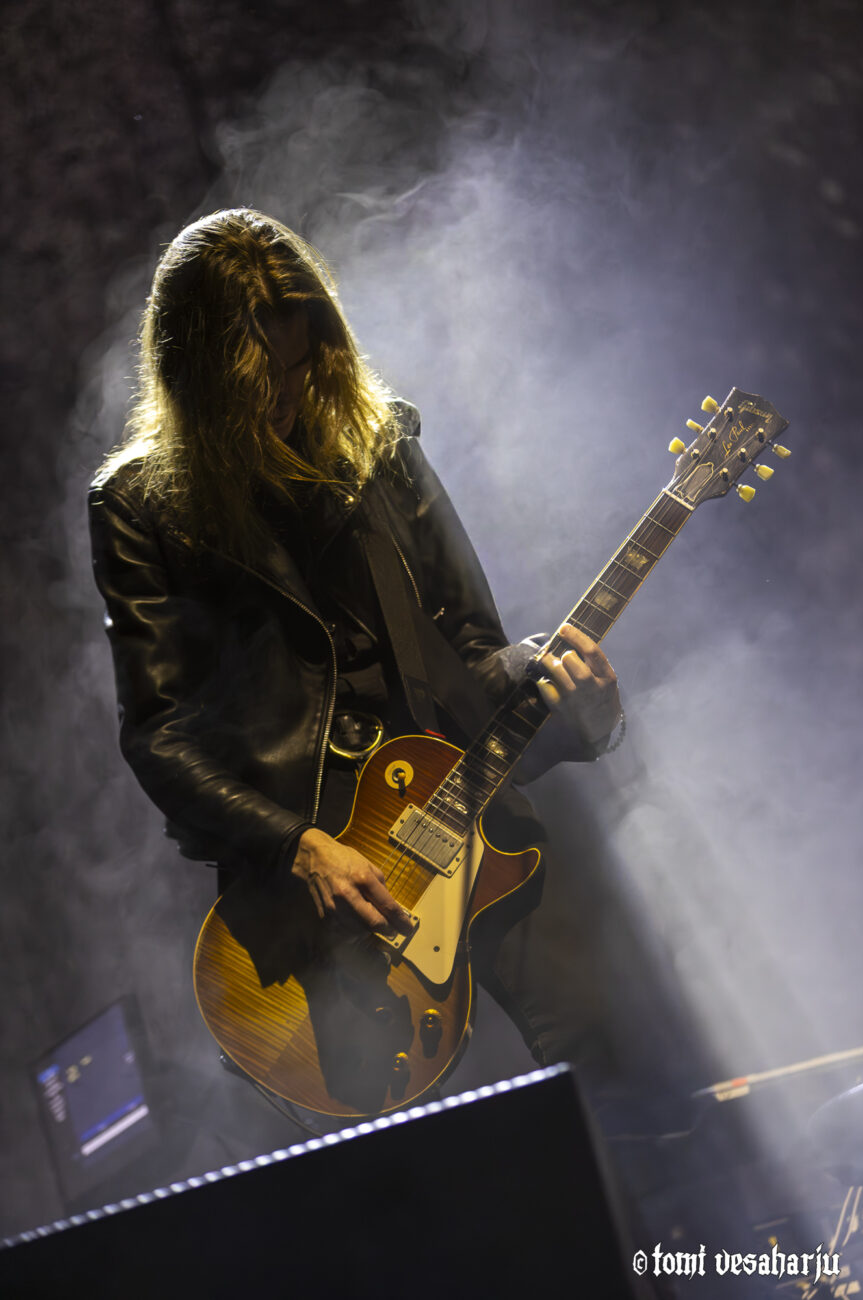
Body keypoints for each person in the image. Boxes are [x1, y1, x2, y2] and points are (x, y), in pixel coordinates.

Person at [88, 207, 623, 1094]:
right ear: (197, 374)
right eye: (257, 380)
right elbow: (159, 734)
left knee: (621, 1072)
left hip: (471, 821)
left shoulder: (381, 446)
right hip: (328, 895)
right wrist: (295, 845)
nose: (284, 396)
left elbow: (472, 646)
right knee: (412, 1160)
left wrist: (563, 689)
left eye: (299, 367)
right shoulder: (139, 506)